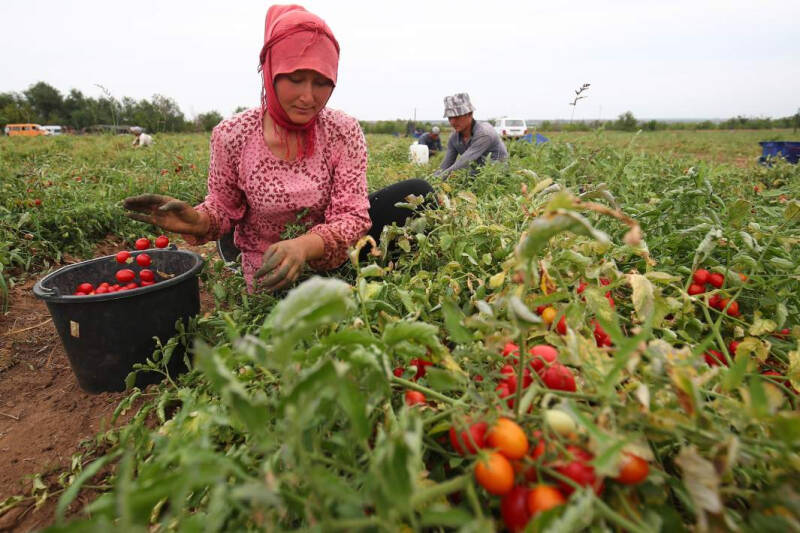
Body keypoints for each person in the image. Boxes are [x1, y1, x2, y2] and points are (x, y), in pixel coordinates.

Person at [123, 4, 432, 292]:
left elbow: (352, 216)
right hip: (271, 269)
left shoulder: (342, 130)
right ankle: (239, 257)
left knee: (418, 191)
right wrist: (199, 220)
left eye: (322, 82)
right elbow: (223, 208)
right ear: (270, 71)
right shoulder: (233, 135)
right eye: (296, 79)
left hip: (332, 255)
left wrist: (303, 245)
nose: (308, 97)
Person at [434, 93, 507, 179]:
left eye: (457, 117)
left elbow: (464, 162)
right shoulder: (454, 138)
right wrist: (433, 178)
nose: (452, 122)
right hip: (474, 175)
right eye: (450, 118)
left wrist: (438, 179)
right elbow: (446, 164)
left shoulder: (484, 133)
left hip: (495, 177)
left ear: (470, 114)